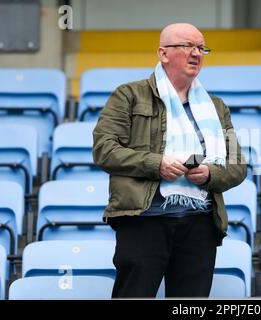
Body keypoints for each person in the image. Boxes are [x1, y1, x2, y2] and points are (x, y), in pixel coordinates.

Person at [92, 23, 247, 298]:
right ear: (163, 54)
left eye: (201, 48)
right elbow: (104, 149)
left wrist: (210, 174)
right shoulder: (128, 95)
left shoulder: (216, 106)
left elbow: (237, 165)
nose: (197, 53)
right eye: (188, 46)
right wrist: (156, 164)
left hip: (200, 222)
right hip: (143, 220)